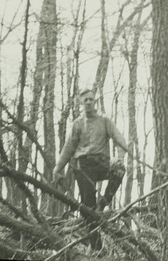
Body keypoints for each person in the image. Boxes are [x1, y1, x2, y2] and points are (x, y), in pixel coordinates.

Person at [53, 89, 129, 249]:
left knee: (119, 169)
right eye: (85, 100)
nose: (88, 102)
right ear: (81, 103)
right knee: (88, 207)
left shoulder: (105, 121)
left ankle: (103, 203)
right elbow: (68, 148)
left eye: (90, 99)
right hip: (84, 166)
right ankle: (96, 247)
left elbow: (119, 138)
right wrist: (57, 168)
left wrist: (121, 157)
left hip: (102, 163)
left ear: (95, 101)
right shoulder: (78, 124)